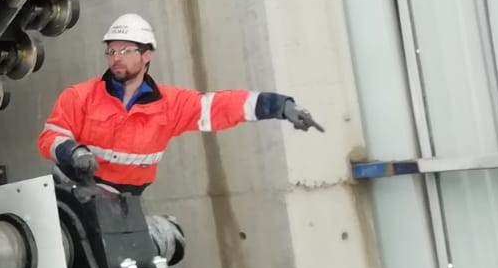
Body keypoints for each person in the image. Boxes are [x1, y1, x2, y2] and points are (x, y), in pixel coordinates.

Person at [38, 13, 323, 193]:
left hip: (124, 201)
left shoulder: (170, 105)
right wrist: (72, 152)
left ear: (147, 55)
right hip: (72, 190)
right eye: (111, 51)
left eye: (125, 50)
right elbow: (50, 137)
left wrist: (280, 106)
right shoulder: (79, 96)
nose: (116, 58)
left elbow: (220, 107)